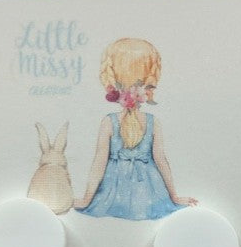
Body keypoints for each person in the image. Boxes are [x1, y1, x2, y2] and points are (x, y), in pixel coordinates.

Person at [75, 38, 197, 220]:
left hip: (113, 195)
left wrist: (87, 199)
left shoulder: (109, 121)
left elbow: (99, 162)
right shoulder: (152, 122)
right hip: (149, 195)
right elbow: (161, 160)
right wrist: (174, 197)